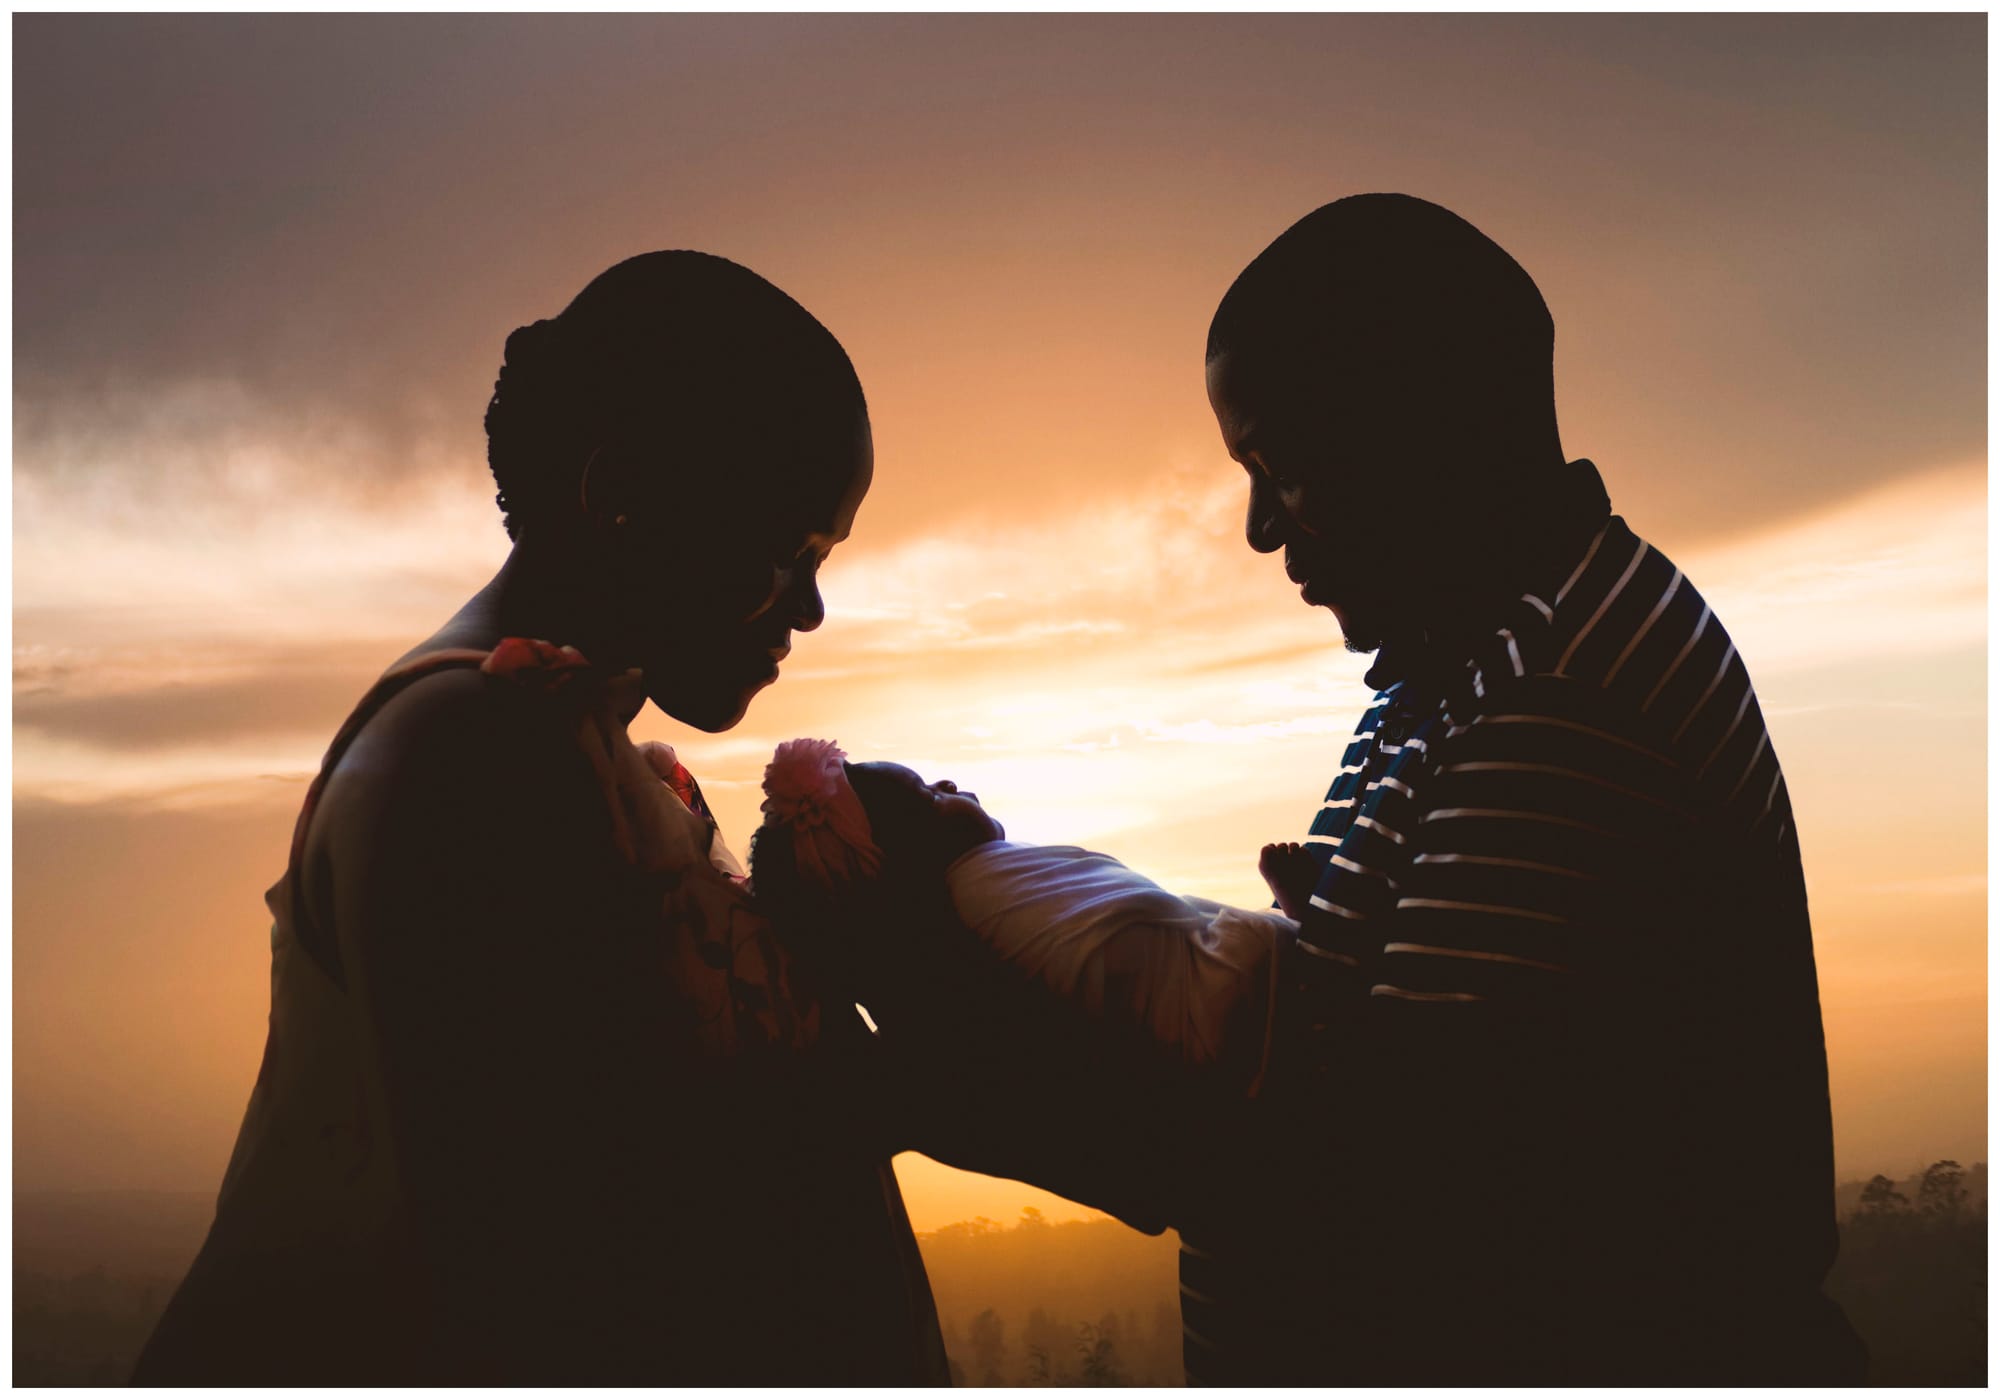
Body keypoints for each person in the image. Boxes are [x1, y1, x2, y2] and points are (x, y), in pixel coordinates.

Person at [863, 194, 1865, 1385]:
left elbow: (1379, 1197)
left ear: (1411, 433)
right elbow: (1377, 1077)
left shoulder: (1558, 685)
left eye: (1277, 470)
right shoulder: (1457, 661)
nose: (1253, 528)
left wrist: (936, 1033)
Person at [132, 253, 949, 1385]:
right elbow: (542, 1284)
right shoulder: (467, 758)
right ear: (621, 494)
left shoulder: (606, 767)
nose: (809, 608)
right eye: (787, 551)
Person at [748, 739, 1294, 1085]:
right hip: (1250, 1006)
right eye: (930, 796)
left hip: (1221, 1045)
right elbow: (1164, 946)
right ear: (903, 858)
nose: (948, 785)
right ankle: (1295, 915)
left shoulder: (968, 946)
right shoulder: (987, 881)